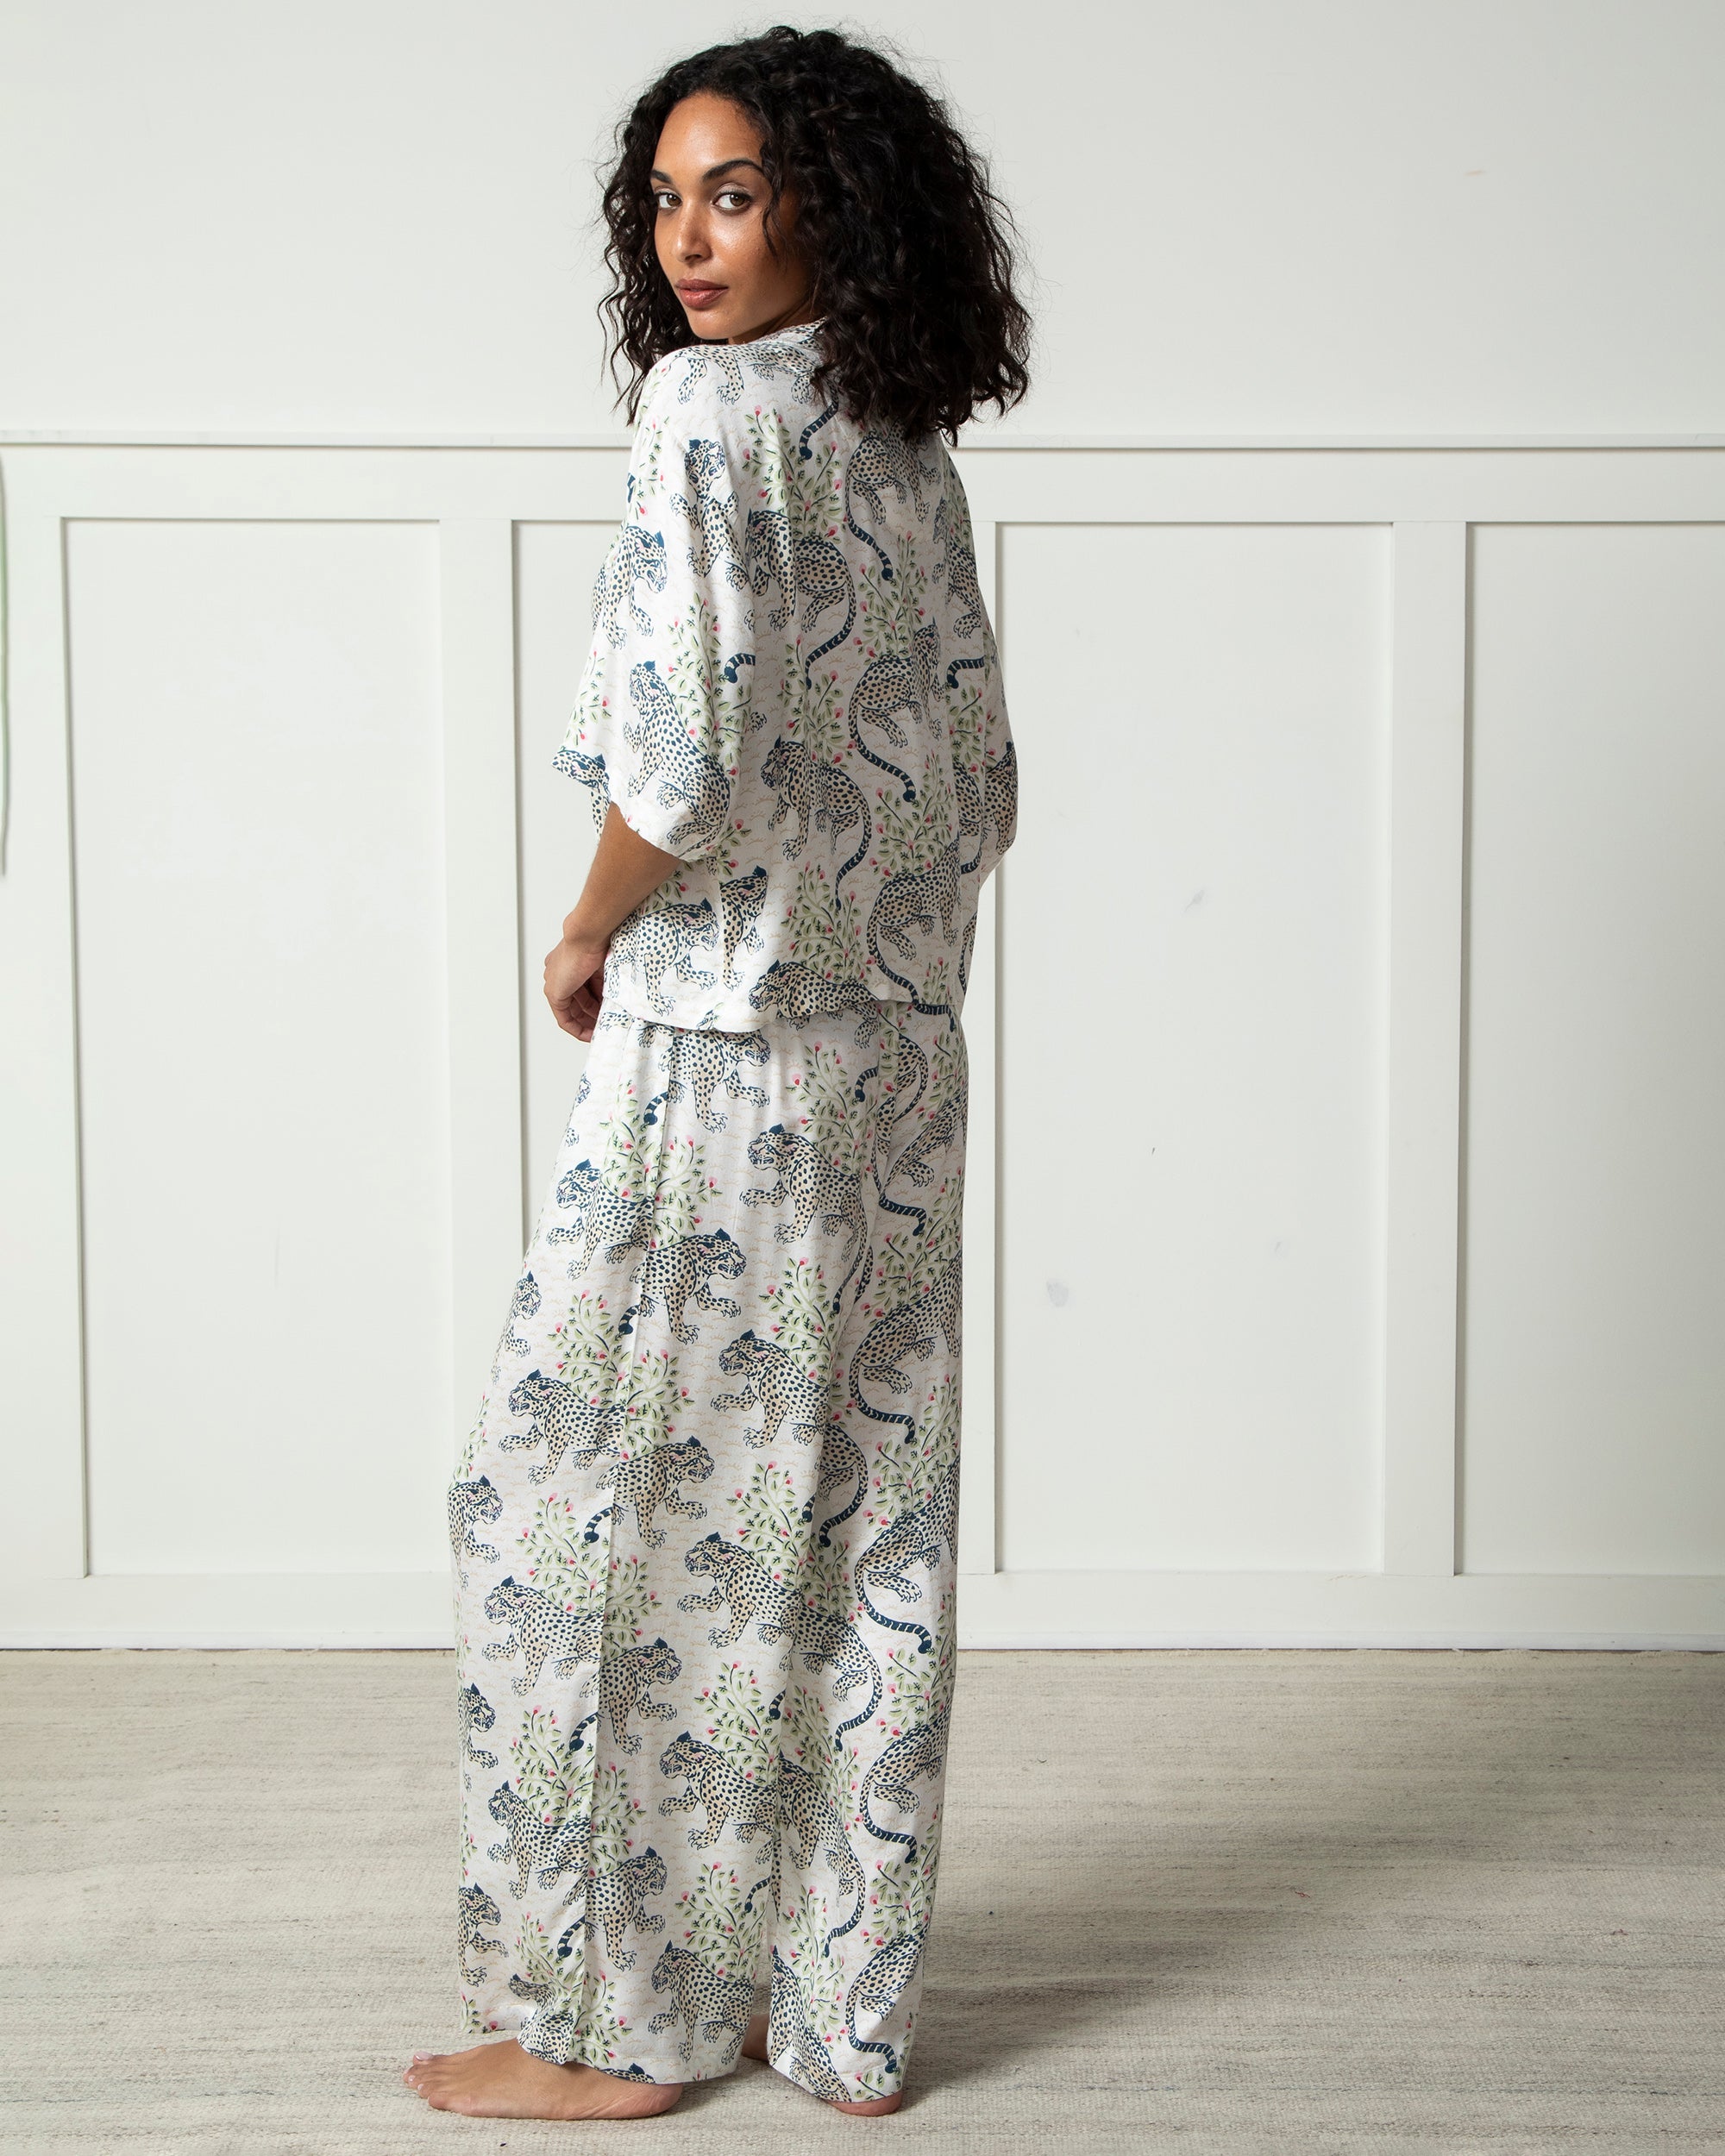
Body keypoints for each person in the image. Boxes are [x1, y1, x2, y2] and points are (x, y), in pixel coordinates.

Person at [405, 24, 1026, 2122]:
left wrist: (588, 925)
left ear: (831, 207)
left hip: (728, 1052)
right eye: (667, 199)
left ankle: (614, 2023)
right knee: (849, 1522)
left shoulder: (707, 414)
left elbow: (679, 762)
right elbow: (977, 783)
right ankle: (829, 2009)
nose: (689, 240)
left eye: (735, 193)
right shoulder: (900, 434)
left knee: (585, 1512)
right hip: (899, 1062)